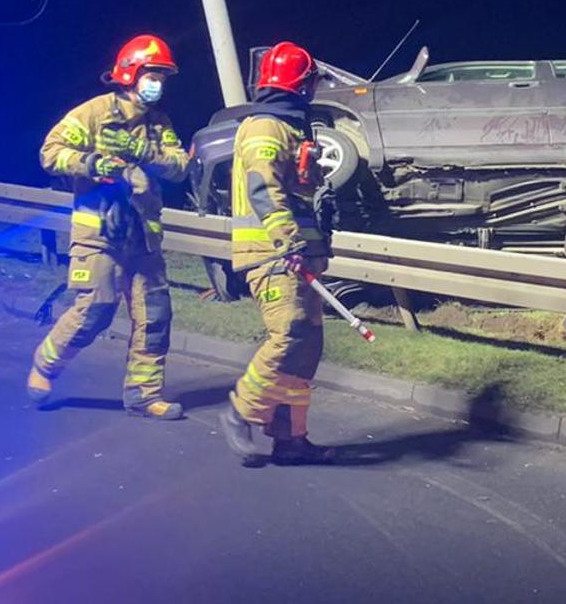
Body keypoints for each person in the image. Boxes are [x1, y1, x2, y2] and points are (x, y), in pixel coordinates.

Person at [25, 34, 193, 418]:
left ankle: (144, 395)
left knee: (155, 316)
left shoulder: (158, 125)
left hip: (143, 239)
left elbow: (180, 166)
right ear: (131, 74)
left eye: (164, 77)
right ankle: (45, 365)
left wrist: (146, 153)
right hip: (98, 234)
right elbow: (50, 153)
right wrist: (92, 165)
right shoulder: (94, 114)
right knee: (96, 308)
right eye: (153, 75)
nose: (159, 84)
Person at [217, 41, 336, 465]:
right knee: (288, 336)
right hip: (273, 253)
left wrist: (313, 177)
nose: (313, 92)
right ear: (298, 85)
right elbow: (263, 189)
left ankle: (290, 438)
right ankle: (240, 411)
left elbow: (296, 190)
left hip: (297, 254)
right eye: (310, 84)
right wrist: (289, 241)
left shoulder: (290, 128)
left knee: (306, 345)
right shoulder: (266, 127)